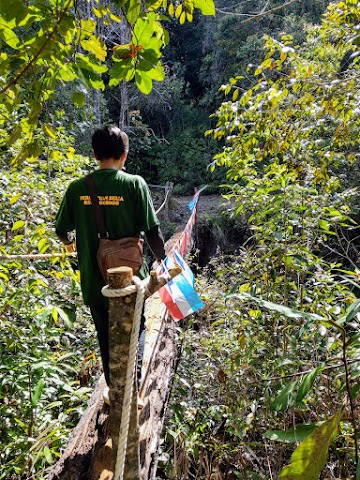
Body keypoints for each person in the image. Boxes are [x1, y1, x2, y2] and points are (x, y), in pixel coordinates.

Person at [55, 125, 165, 392]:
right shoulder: (134, 184)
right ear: (124, 155)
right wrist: (163, 260)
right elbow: (152, 232)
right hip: (130, 281)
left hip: (96, 281)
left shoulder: (76, 188)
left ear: (94, 155)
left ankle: (115, 389)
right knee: (134, 332)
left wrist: (70, 244)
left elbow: (61, 229)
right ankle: (133, 388)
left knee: (105, 337)